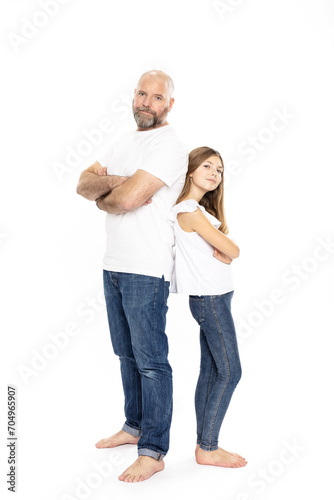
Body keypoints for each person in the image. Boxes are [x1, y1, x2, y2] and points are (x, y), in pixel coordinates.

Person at [76, 70, 188, 482]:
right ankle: (133, 425)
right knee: (125, 353)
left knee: (152, 362)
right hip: (114, 264)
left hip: (146, 267)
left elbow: (122, 197)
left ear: (169, 105)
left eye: (156, 97)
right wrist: (117, 189)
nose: (146, 102)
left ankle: (154, 450)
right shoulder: (123, 141)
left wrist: (111, 192)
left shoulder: (170, 146)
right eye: (142, 93)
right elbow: (82, 182)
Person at [168, 146, 247, 468]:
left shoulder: (200, 210)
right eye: (208, 166)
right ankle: (208, 447)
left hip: (217, 297)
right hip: (209, 300)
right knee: (230, 372)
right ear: (190, 170)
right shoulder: (189, 209)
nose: (215, 173)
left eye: (220, 170)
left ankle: (205, 444)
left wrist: (224, 249)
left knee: (213, 370)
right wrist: (225, 249)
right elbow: (233, 250)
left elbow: (226, 251)